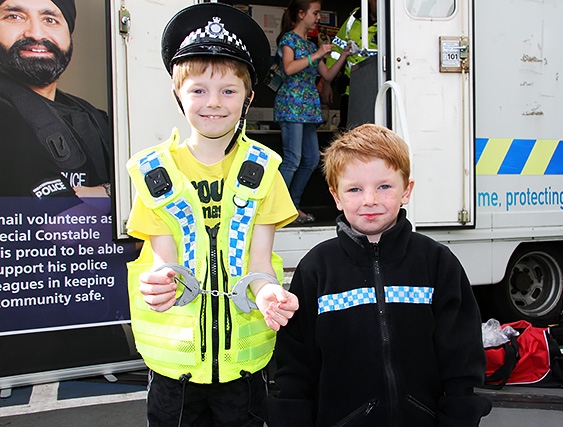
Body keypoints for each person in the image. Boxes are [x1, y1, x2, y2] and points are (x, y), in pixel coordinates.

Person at [125, 3, 300, 426]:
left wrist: (268, 294)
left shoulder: (267, 171)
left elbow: (259, 266)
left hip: (242, 370)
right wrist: (161, 283)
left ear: (249, 97)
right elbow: (167, 262)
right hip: (175, 374)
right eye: (198, 89)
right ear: (176, 93)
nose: (213, 103)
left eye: (228, 90)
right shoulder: (153, 173)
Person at [264, 124, 492, 426]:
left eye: (384, 186)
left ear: (406, 190)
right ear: (336, 196)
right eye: (354, 189)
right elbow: (294, 367)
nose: (369, 199)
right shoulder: (316, 268)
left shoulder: (436, 262)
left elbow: (461, 357)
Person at [0, 0, 111, 199]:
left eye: (50, 20)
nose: (35, 33)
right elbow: (58, 218)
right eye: (14, 17)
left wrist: (108, 191)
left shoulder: (97, 119)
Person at [274, 0, 352, 224]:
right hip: (291, 103)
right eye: (315, 13)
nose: (318, 17)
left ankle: (292, 206)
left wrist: (344, 55)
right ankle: (276, 207)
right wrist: (317, 55)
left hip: (308, 106)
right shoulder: (288, 39)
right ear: (300, 14)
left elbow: (327, 76)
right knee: (293, 159)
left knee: (310, 160)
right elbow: (289, 68)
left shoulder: (310, 45)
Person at [322, 0, 378, 129]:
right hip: (350, 91)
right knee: (348, 134)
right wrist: (327, 82)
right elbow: (336, 50)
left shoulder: (391, 21)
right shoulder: (353, 19)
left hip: (376, 92)